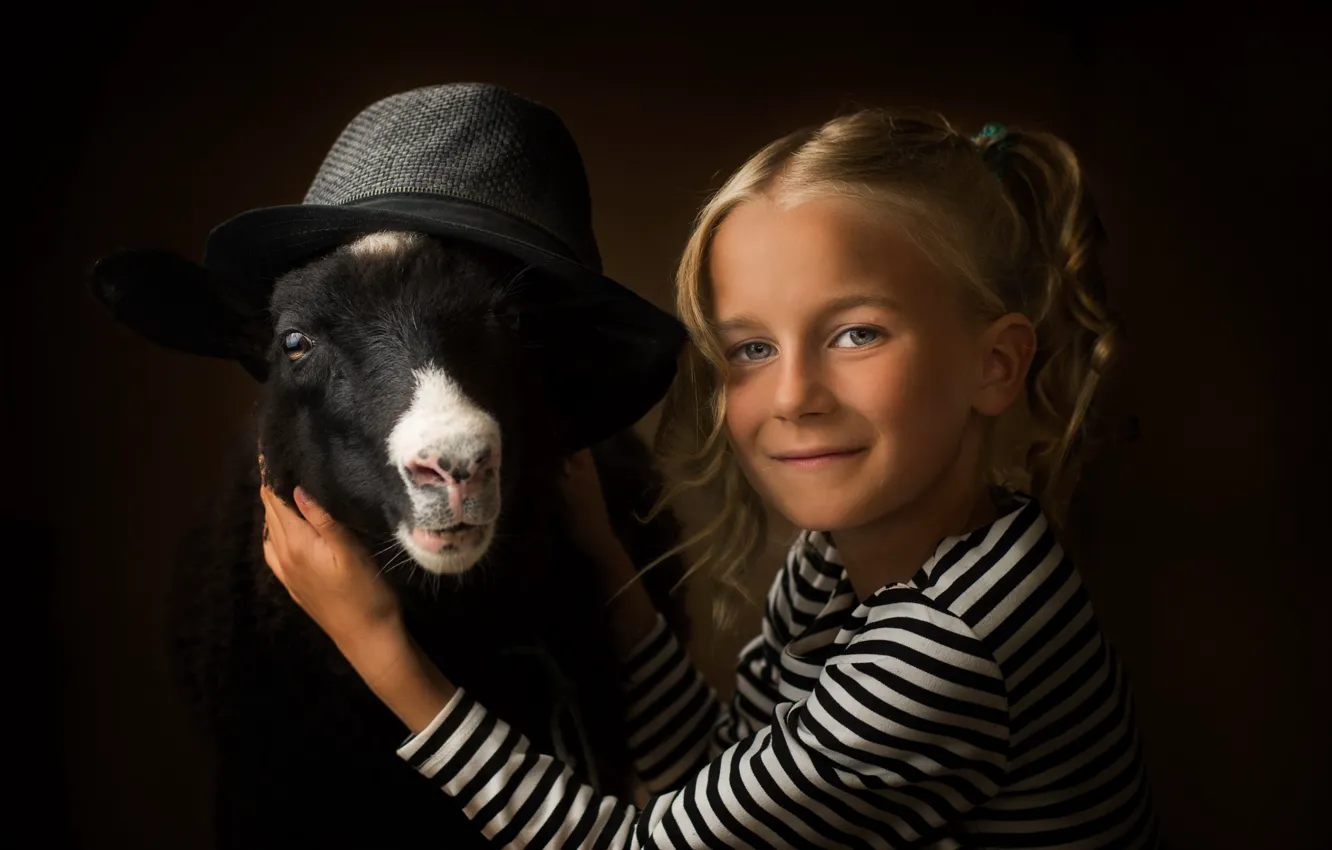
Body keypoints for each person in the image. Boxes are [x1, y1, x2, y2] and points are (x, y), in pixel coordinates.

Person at [260, 109, 1161, 848]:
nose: (795, 396)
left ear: (994, 367)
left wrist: (382, 652)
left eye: (857, 334)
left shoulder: (947, 648)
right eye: (751, 349)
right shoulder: (842, 559)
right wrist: (609, 559)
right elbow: (720, 777)